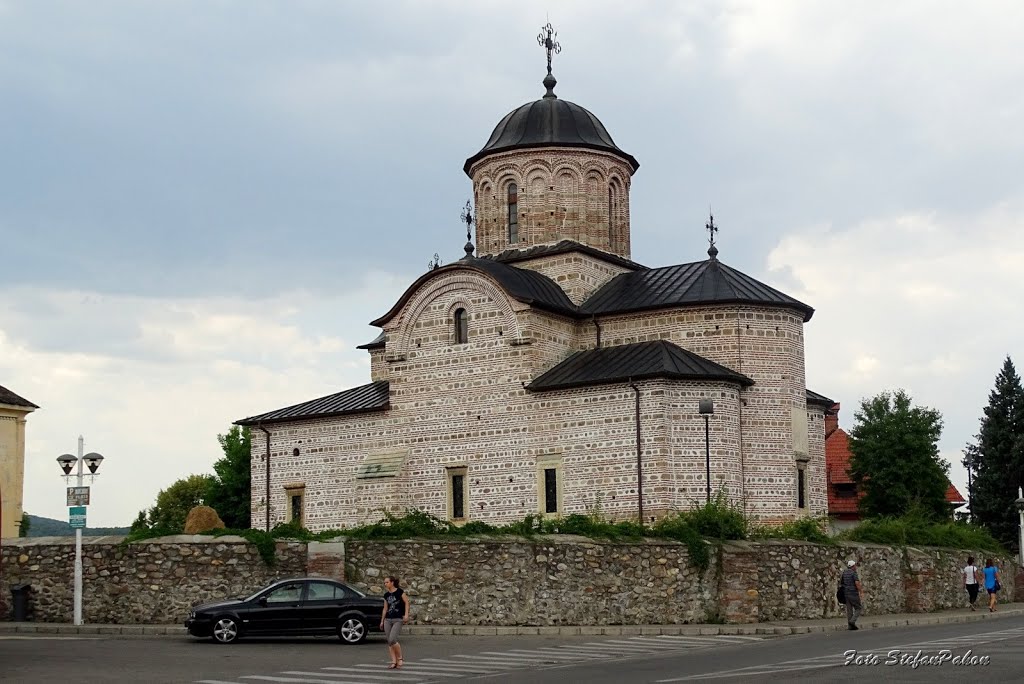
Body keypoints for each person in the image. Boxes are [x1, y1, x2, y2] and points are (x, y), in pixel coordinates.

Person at [380, 576, 411, 669]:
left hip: (398, 618)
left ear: (392, 582)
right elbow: (385, 609)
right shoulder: (386, 595)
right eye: (384, 583)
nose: (385, 584)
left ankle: (400, 658)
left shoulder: (400, 592)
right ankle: (394, 661)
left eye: (387, 582)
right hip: (388, 619)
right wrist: (382, 621)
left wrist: (406, 615)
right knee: (389, 642)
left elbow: (407, 603)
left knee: (393, 639)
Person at [840, 559, 864, 630]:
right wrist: (861, 591)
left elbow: (842, 582)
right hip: (853, 593)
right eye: (855, 565)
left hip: (846, 593)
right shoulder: (854, 573)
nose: (856, 567)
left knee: (849, 610)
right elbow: (857, 583)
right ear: (853, 566)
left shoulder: (844, 572)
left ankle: (850, 626)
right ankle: (852, 621)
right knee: (858, 608)